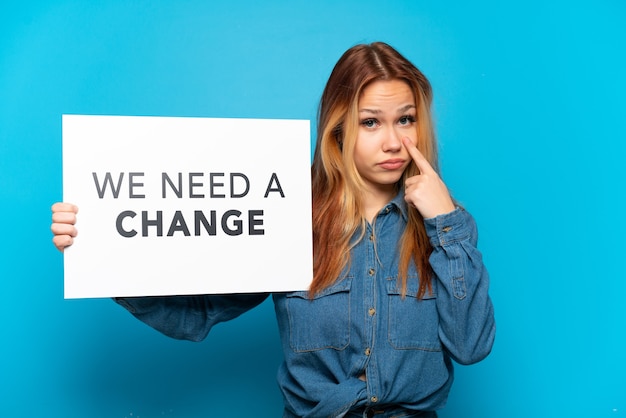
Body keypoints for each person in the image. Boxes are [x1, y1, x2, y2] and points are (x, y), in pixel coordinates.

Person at [52, 42, 495, 418]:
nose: (395, 142)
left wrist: (444, 224)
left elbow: (471, 346)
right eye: (371, 122)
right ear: (338, 128)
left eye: (406, 119)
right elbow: (198, 312)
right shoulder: (286, 213)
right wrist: (102, 249)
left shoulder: (448, 227)